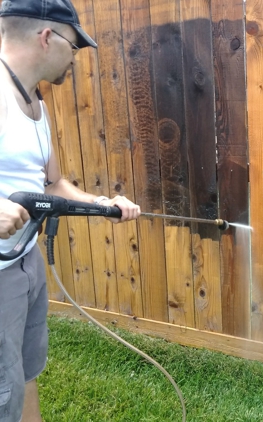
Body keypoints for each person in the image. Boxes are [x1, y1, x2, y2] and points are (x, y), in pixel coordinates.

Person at [0, 1, 141, 420]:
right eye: (74, 46)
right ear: (47, 37)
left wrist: (103, 205)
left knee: (25, 372)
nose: (76, 58)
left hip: (25, 262)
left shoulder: (34, 102)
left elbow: (52, 183)